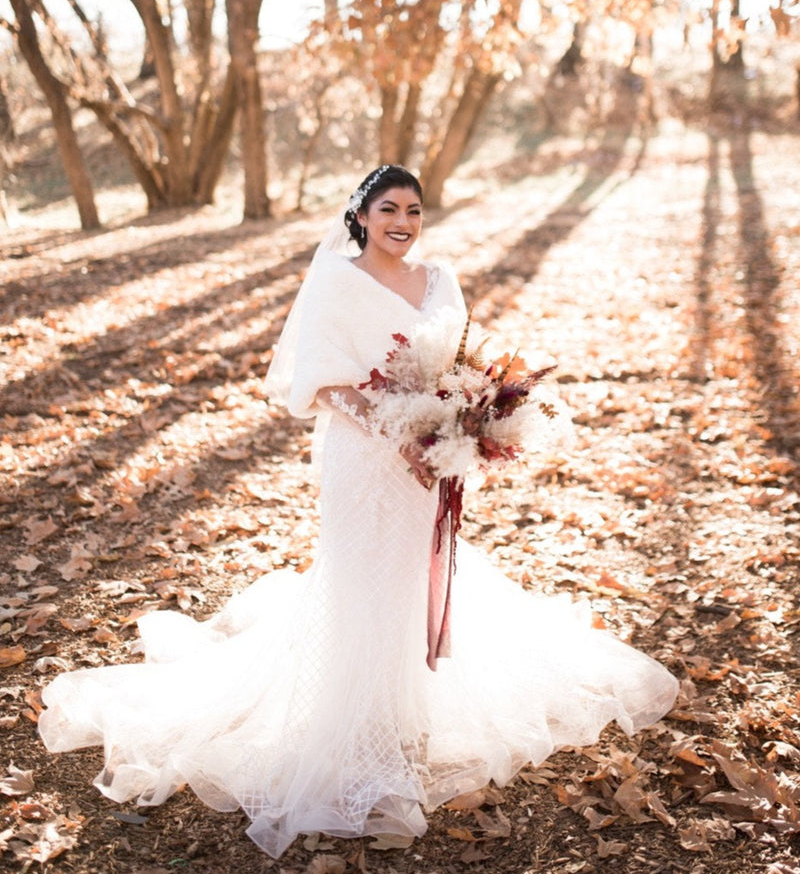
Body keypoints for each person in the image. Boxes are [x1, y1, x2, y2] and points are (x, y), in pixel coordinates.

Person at [39, 165, 678, 858]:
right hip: (360, 456)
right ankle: (358, 729)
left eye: (414, 209)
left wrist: (459, 422)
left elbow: (462, 362)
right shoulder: (336, 281)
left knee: (410, 576)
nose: (402, 221)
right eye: (389, 208)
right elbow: (317, 380)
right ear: (362, 215)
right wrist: (391, 425)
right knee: (358, 579)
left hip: (426, 459)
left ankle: (405, 714)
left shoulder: (440, 280)